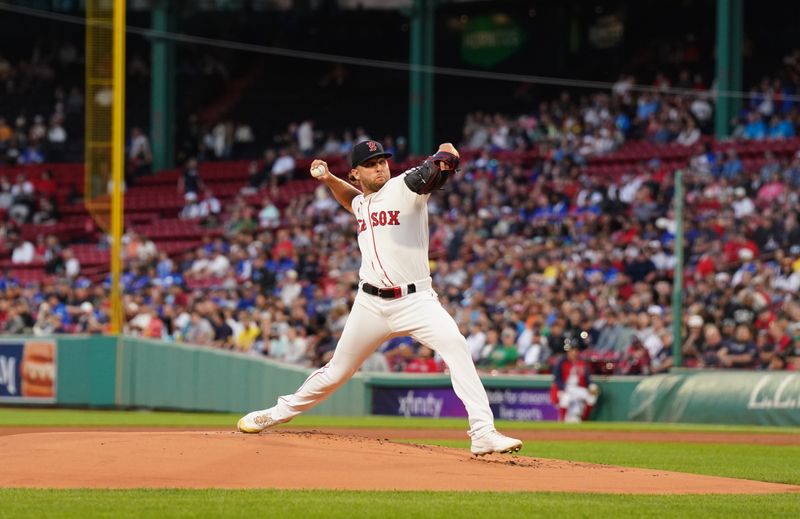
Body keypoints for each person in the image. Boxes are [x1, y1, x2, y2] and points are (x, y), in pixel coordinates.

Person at [238, 139, 523, 456]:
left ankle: (482, 432)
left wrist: (446, 155)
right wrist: (330, 179)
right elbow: (352, 201)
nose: (380, 166)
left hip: (416, 300)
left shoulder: (404, 187)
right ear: (356, 172)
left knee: (456, 345)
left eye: (383, 161)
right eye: (372, 164)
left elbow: (435, 167)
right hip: (370, 304)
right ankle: (275, 415)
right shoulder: (362, 202)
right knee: (337, 371)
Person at [550, 339, 599, 423]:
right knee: (565, 398)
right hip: (565, 388)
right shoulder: (561, 362)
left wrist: (591, 386)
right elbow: (557, 379)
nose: (574, 352)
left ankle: (584, 420)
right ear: (568, 351)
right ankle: (562, 420)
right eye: (572, 350)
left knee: (592, 397)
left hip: (578, 389)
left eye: (576, 350)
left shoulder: (582, 362)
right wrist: (562, 388)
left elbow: (587, 380)